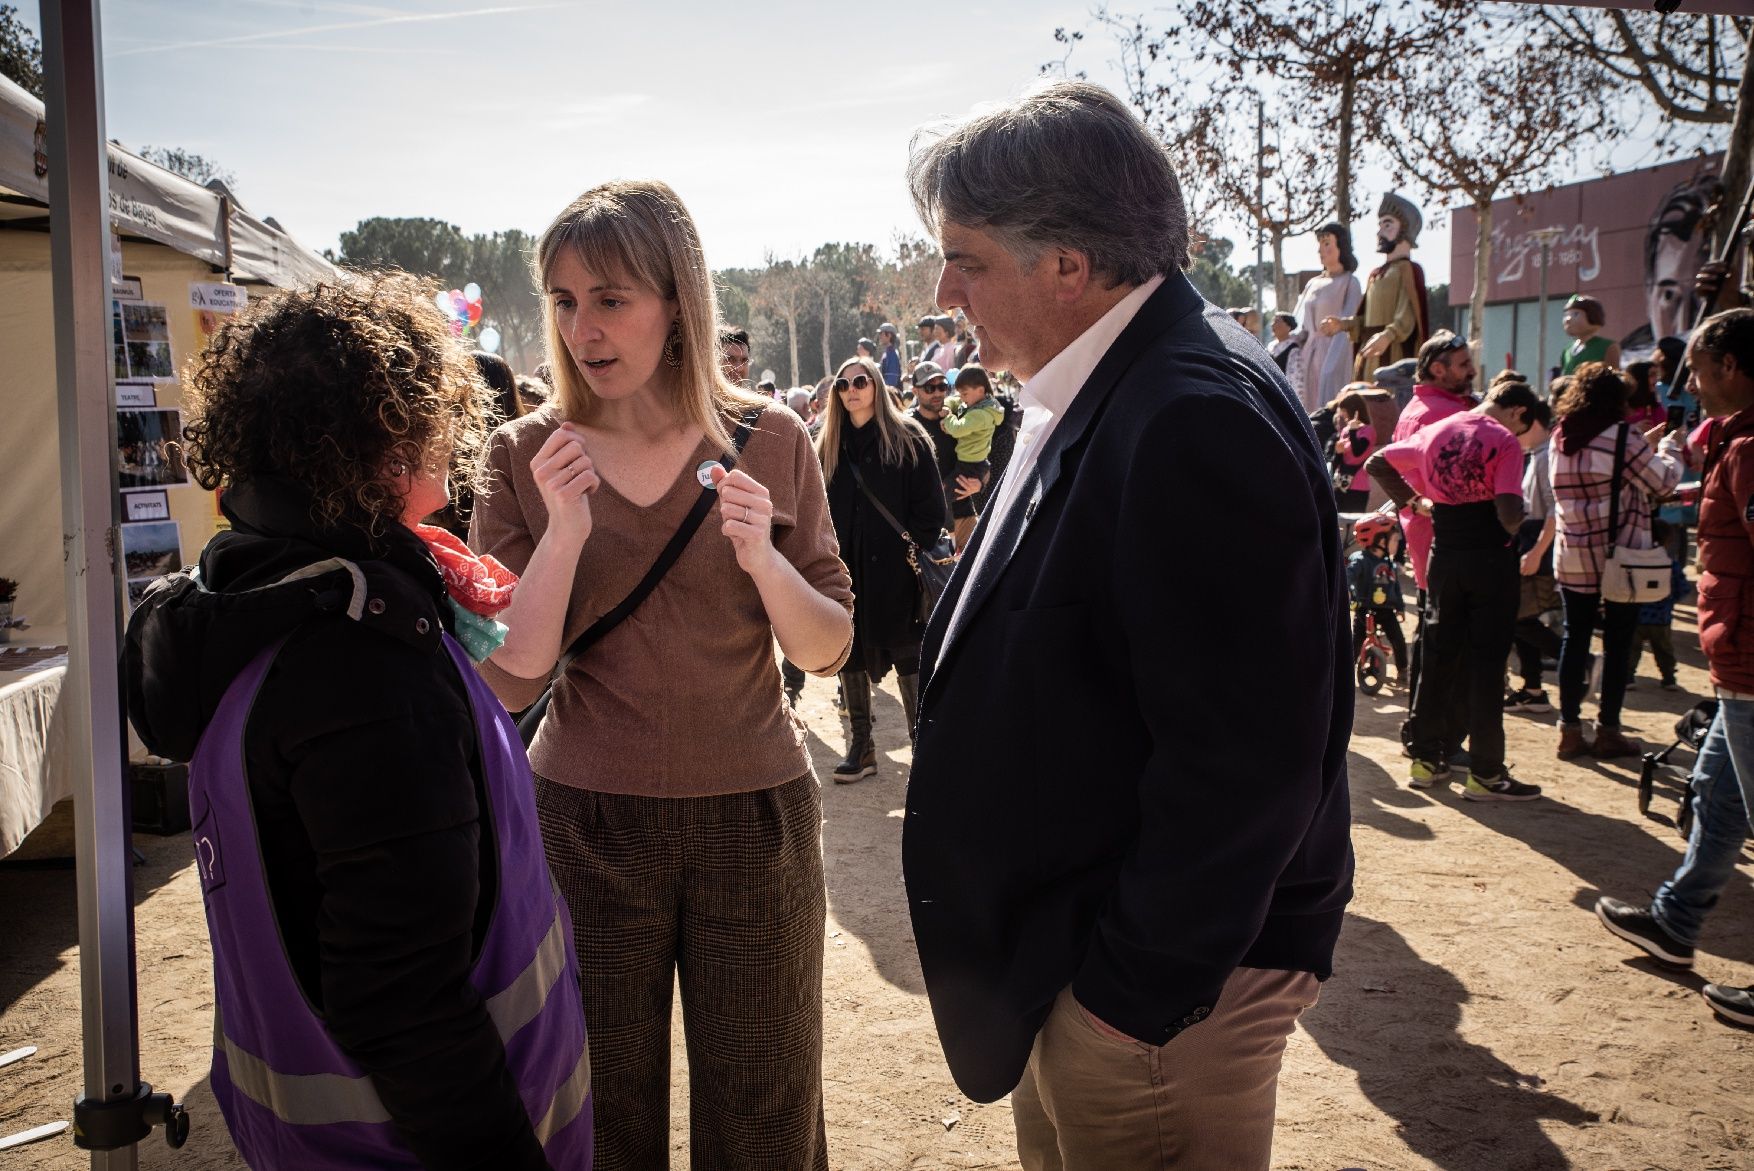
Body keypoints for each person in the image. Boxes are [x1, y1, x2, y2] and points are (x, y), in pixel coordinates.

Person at [901, 81, 1352, 1170]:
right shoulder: (1103, 382)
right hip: (1083, 962)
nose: (943, 288)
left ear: (1067, 265)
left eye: (963, 257)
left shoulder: (1188, 413)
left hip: (1153, 1002)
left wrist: (1126, 999)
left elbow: (1244, 761)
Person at [123, 273, 592, 1170]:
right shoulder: (361, 664)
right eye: (428, 421)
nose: (444, 445)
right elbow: (404, 1001)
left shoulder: (254, 587)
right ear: (381, 445)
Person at [470, 180, 853, 1170]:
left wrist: (763, 560)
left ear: (676, 298)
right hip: (584, 824)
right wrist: (561, 533)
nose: (583, 327)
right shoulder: (520, 452)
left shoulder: (769, 436)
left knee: (762, 1110)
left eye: (610, 297)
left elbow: (826, 646)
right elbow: (512, 678)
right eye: (561, 300)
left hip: (753, 818)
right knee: (599, 1115)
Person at [1594, 307, 1754, 1029]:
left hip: (1749, 661)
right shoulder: (1734, 441)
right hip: (1734, 662)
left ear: (1729, 365)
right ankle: (1676, 922)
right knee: (1717, 801)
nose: (1687, 380)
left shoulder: (1751, 449)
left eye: (1696, 365)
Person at [1369, 380, 1549, 799]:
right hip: (1489, 561)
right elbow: (1507, 514)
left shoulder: (1436, 431)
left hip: (1443, 555)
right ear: (1519, 412)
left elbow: (1377, 462)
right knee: (1486, 666)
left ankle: (1426, 760)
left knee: (1437, 656)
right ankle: (1486, 774)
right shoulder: (1503, 442)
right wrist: (1520, 518)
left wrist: (1416, 502)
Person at [816, 354, 947, 781]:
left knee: (908, 654)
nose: (851, 389)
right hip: (847, 573)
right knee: (850, 652)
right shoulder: (827, 446)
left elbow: (931, 509)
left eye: (860, 381)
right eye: (843, 383)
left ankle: (922, 748)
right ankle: (862, 747)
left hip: (898, 573)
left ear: (875, 385)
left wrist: (915, 549)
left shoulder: (908, 437)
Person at [1549, 361, 1685, 760]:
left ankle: (1569, 731)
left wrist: (1640, 443)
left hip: (1572, 554)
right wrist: (1668, 446)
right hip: (1619, 560)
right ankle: (1608, 730)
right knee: (1618, 643)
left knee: (1574, 640)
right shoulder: (1623, 437)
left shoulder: (1561, 435)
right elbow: (1663, 481)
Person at [1387, 332, 1479, 716]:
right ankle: (1434, 739)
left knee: (1433, 641)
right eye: (1463, 366)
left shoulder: (1420, 407)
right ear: (1438, 369)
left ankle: (1425, 735)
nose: (1472, 371)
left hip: (1432, 544)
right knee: (1443, 649)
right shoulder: (1441, 414)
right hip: (1447, 546)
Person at [1333, 194, 1430, 380]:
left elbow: (1407, 315)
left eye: (1387, 225)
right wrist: (1344, 324)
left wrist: (1388, 336)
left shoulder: (1409, 270)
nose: (1379, 233)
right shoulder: (1375, 274)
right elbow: (1363, 319)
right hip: (1369, 352)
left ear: (1405, 228)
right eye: (1380, 226)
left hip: (1393, 353)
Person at [1507, 388, 1561, 714]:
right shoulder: (1537, 455)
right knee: (1522, 618)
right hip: (1531, 543)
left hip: (1536, 545)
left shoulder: (1545, 457)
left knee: (1519, 619)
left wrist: (1538, 551)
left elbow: (1555, 511)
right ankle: (1533, 689)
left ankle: (1580, 661)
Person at [907, 360, 980, 549]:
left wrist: (979, 482)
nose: (938, 393)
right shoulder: (905, 427)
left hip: (964, 515)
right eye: (930, 388)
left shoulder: (959, 418)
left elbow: (981, 460)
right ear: (915, 391)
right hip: (928, 522)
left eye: (942, 386)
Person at [1298, 221, 1364, 412]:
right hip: (1307, 357)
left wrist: (1331, 367)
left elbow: (1348, 325)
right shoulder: (1312, 283)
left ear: (1341, 246)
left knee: (1328, 408)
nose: (1321, 250)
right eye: (1320, 244)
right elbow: (1301, 325)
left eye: (1327, 243)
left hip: (1334, 355)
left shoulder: (1350, 282)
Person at [1625, 518, 1687, 691]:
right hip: (1661, 617)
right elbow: (1682, 588)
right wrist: (1670, 601)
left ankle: (1628, 676)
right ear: (1669, 540)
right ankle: (1668, 678)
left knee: (1632, 648)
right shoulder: (1671, 564)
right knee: (1664, 649)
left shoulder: (1635, 562)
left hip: (1636, 614)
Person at [1347, 512, 1408, 684]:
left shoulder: (1389, 563)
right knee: (1355, 643)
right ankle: (1343, 672)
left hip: (1386, 610)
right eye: (1395, 540)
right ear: (1381, 541)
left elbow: (1395, 586)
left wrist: (1400, 607)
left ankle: (1403, 669)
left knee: (1398, 639)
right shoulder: (1361, 560)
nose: (1398, 545)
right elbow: (1348, 575)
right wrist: (1348, 588)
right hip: (1364, 608)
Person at [942, 364, 1005, 493]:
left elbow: (957, 429)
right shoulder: (977, 403)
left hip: (970, 466)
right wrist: (947, 404)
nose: (961, 398)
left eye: (964, 394)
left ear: (980, 390)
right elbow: (954, 401)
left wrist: (947, 417)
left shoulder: (980, 415)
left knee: (943, 495)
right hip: (972, 462)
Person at [1330, 387, 1377, 512]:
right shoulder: (1345, 430)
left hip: (1358, 485)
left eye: (1344, 410)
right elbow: (1338, 460)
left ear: (1353, 410)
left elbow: (1358, 452)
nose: (1342, 414)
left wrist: (1353, 431)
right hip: (1340, 484)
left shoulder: (1368, 431)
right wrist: (1337, 453)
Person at [1558, 295, 1621, 376]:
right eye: (1566, 314)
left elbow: (1614, 380)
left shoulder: (1608, 347)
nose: (1567, 319)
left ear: (1593, 316)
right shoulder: (1566, 350)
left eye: (1575, 314)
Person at [1625, 360, 1666, 432]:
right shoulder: (1622, 405)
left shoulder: (1655, 407)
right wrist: (1634, 427)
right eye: (1652, 375)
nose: (1657, 379)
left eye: (1657, 375)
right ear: (1638, 379)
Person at [1268, 310, 1301, 378]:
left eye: (1277, 321)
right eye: (1273, 321)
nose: (1273, 324)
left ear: (1288, 327)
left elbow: (1295, 377)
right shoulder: (1270, 346)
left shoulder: (1293, 348)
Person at [878, 322, 904, 387]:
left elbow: (891, 381)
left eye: (881, 333)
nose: (879, 336)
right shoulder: (887, 353)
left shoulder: (892, 354)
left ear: (889, 335)